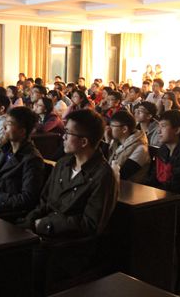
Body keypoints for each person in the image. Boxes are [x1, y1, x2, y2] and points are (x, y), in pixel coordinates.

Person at [21, 109, 118, 291]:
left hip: (70, 246)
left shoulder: (102, 176)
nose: (63, 137)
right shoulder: (63, 163)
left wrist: (46, 224)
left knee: (26, 264)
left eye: (68, 133)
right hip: (43, 233)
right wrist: (28, 222)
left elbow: (90, 224)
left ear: (84, 141)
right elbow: (44, 201)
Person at [0, 107, 44, 219]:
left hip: (8, 213)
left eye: (9, 124)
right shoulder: (6, 150)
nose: (3, 127)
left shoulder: (32, 159)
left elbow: (27, 199)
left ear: (22, 131)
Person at [105, 110, 150, 182]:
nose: (108, 129)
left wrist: (106, 144)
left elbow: (122, 175)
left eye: (112, 126)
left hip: (129, 186)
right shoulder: (115, 141)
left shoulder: (141, 149)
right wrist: (107, 142)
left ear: (124, 129)